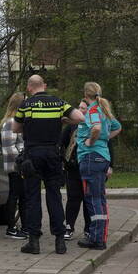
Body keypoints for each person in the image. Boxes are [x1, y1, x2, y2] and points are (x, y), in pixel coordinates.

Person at [12, 74, 84, 255]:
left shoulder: (25, 105)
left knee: (32, 198)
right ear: (43, 86)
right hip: (53, 154)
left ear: (29, 88)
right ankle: (60, 242)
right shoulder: (58, 102)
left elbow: (15, 128)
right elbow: (80, 118)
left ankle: (34, 242)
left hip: (32, 155)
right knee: (54, 196)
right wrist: (65, 121)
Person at [76, 82, 121, 250]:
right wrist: (105, 139)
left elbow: (96, 128)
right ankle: (100, 236)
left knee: (92, 199)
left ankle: (96, 239)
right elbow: (118, 128)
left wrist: (91, 140)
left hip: (91, 158)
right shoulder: (105, 110)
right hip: (103, 157)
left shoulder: (93, 110)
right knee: (100, 199)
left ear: (86, 95)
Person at [0, 92, 28, 239]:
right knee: (15, 196)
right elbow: (9, 147)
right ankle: (11, 227)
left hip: (19, 165)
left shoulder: (15, 122)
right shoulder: (11, 122)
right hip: (15, 166)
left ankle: (25, 226)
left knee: (22, 196)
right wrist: (22, 161)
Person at [60, 102, 90, 240]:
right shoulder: (72, 126)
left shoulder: (94, 125)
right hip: (73, 168)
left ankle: (89, 228)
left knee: (88, 198)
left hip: (89, 167)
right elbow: (61, 143)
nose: (80, 110)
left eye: (83, 108)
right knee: (73, 197)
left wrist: (110, 165)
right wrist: (63, 161)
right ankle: (69, 226)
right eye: (79, 107)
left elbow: (107, 144)